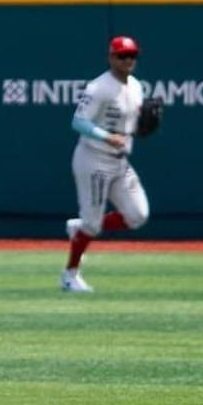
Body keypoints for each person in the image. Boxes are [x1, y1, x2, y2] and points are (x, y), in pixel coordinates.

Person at [61, 36, 151, 293]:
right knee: (93, 224)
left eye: (132, 55)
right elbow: (78, 122)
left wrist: (142, 127)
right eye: (122, 55)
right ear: (111, 57)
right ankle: (70, 275)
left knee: (138, 215)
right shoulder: (98, 87)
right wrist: (106, 136)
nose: (128, 60)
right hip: (93, 158)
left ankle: (80, 226)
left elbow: (132, 124)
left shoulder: (135, 86)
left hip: (120, 161)